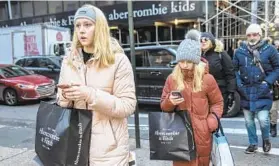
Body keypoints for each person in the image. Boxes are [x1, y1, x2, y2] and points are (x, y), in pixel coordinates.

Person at [56, 5, 137, 165]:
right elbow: (61, 103)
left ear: (99, 27)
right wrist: (65, 96)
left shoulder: (118, 60)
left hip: (108, 151)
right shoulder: (69, 61)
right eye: (78, 26)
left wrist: (89, 94)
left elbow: (128, 105)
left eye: (87, 25)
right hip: (75, 145)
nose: (81, 31)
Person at [160, 29, 223, 166]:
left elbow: (217, 102)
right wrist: (170, 102)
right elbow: (163, 106)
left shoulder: (207, 79)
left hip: (202, 133)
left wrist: (212, 121)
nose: (184, 65)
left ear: (195, 60)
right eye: (181, 61)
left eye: (188, 61)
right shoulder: (172, 79)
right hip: (179, 133)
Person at [233, 24, 279, 154]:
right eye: (249, 35)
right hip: (246, 91)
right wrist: (239, 84)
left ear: (260, 34)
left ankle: (266, 139)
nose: (252, 37)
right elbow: (234, 70)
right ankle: (253, 144)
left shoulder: (270, 49)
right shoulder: (240, 51)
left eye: (254, 34)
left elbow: (277, 68)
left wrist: (267, 82)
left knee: (263, 120)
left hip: (263, 91)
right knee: (248, 121)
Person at [200, 32, 236, 117]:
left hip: (219, 92)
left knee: (214, 119)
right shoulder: (197, 55)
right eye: (200, 40)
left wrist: (231, 92)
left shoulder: (221, 54)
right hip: (202, 93)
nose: (203, 41)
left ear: (212, 41)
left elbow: (230, 74)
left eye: (206, 39)